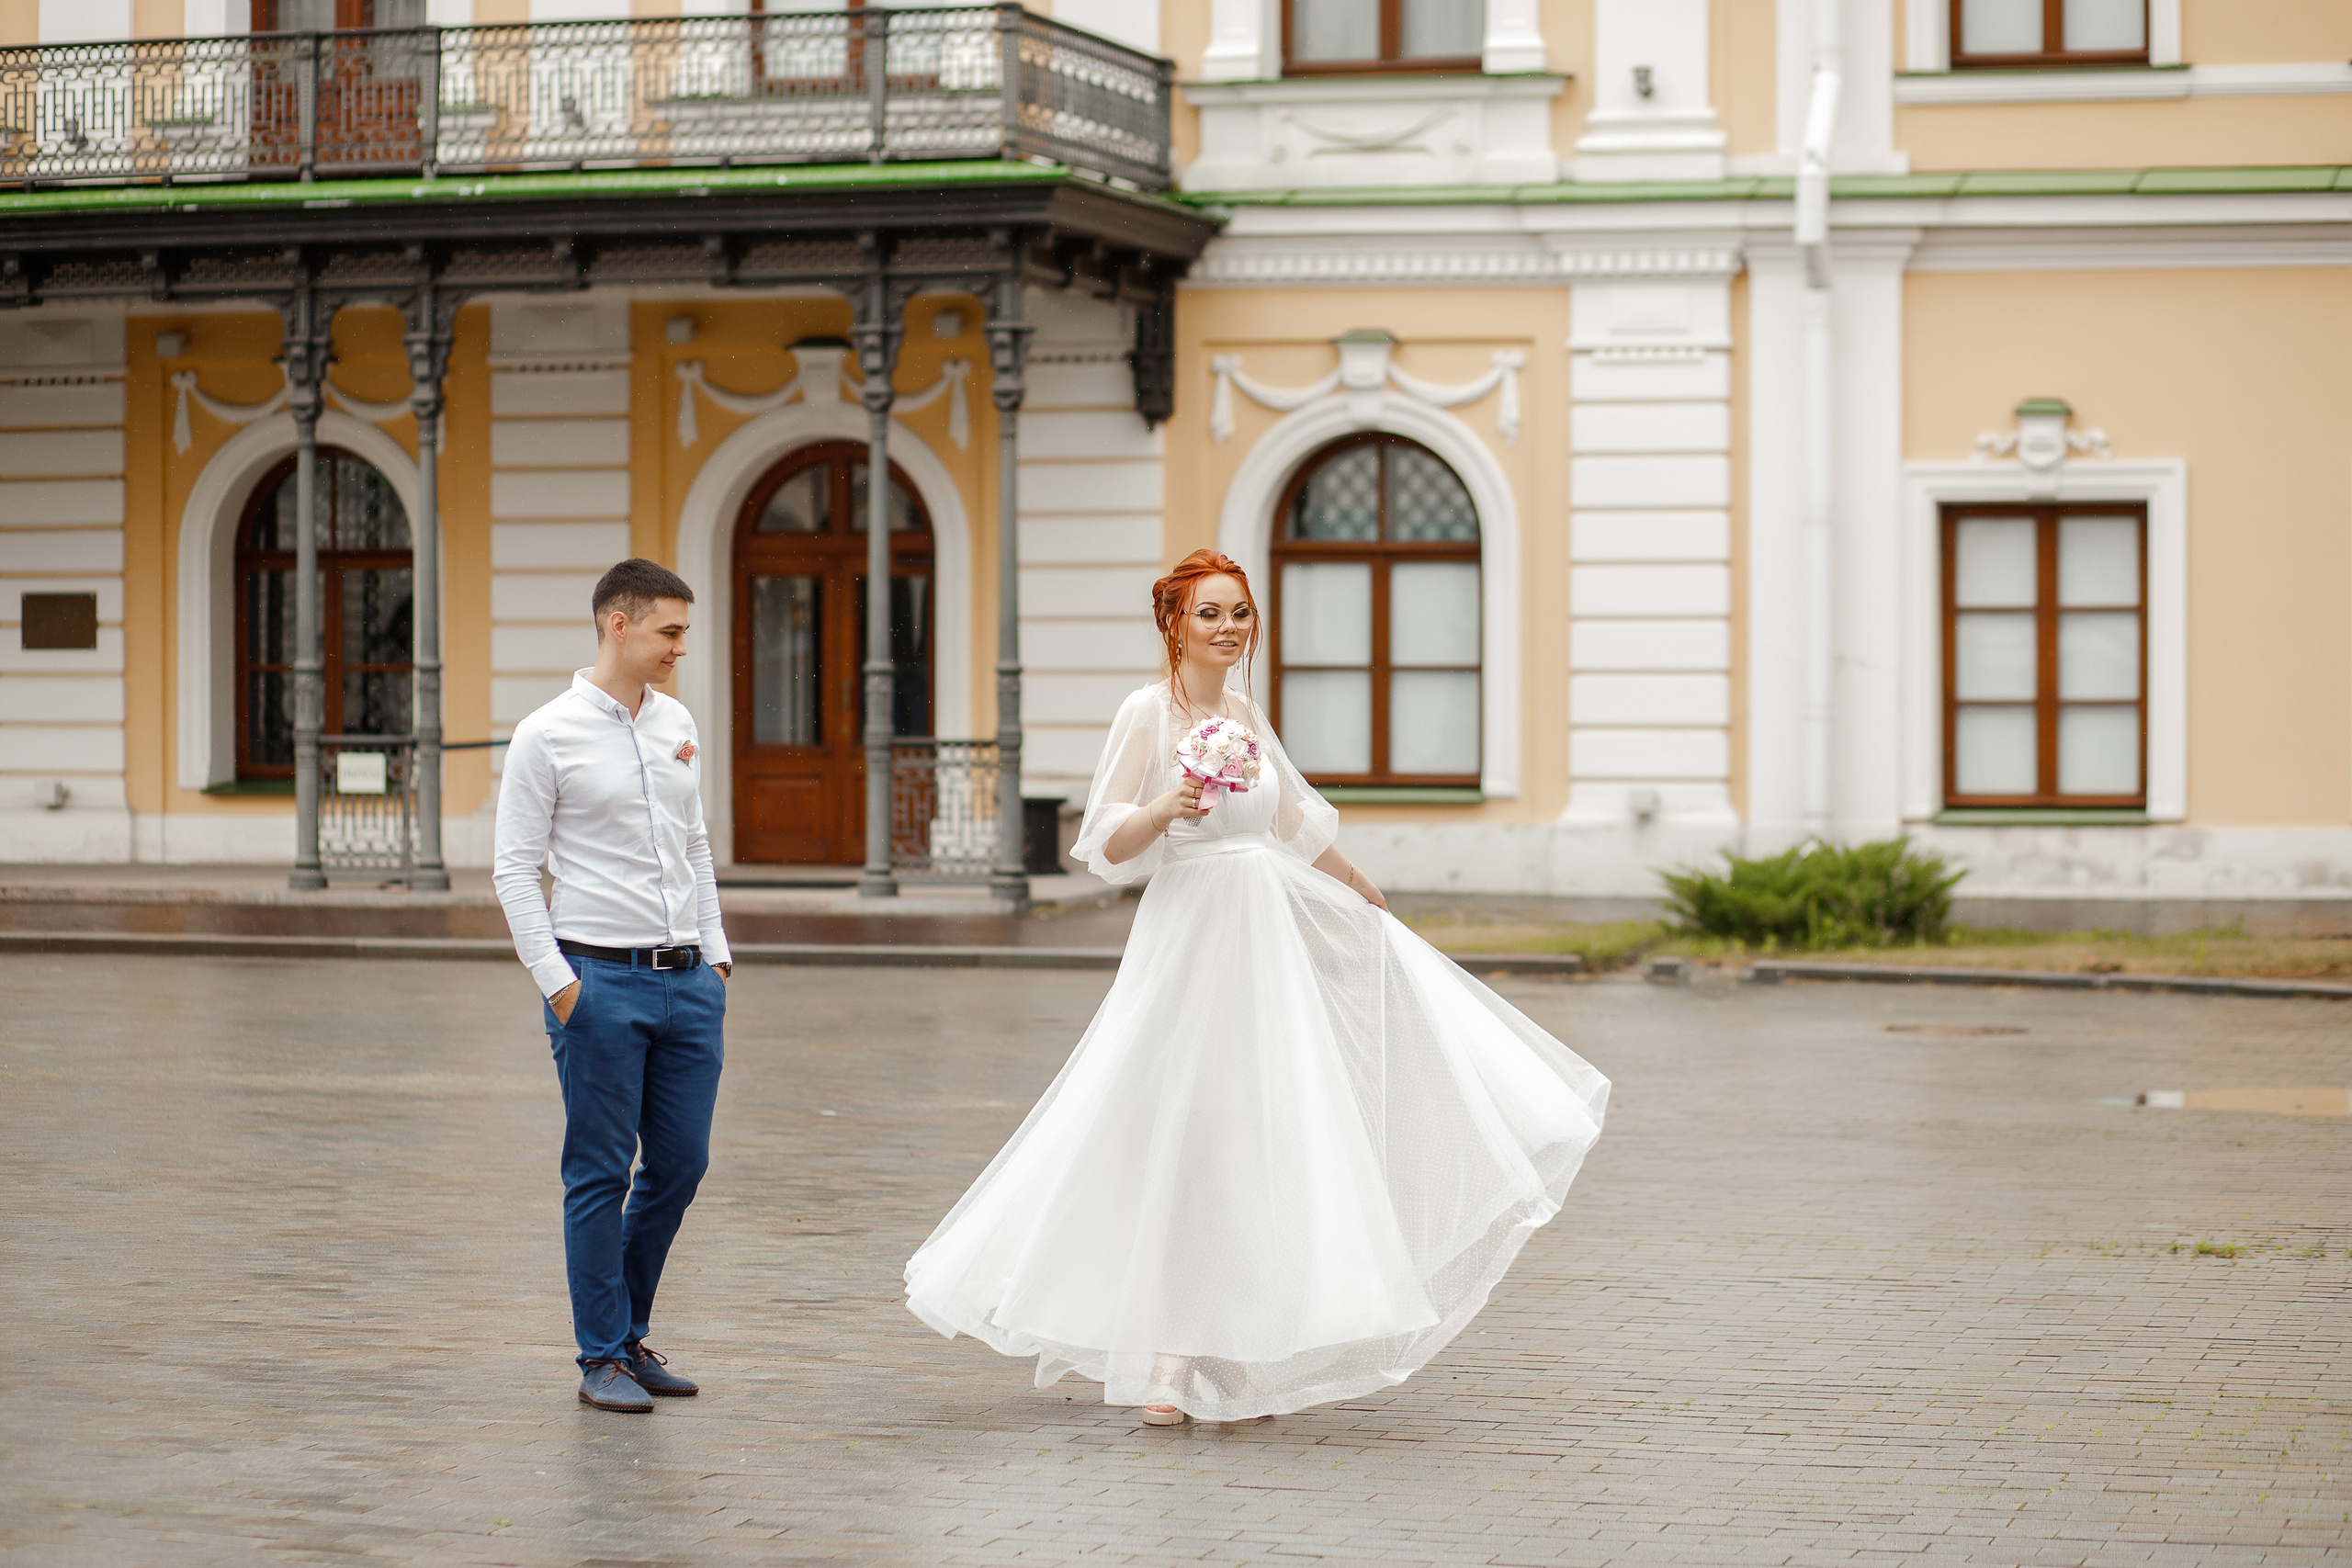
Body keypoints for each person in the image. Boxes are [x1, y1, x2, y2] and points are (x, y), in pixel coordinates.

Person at [903, 549, 1609, 1426]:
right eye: (1209, 613)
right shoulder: (1145, 711)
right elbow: (1106, 841)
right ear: (1174, 623)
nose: (1228, 628)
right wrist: (1169, 806)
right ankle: (1165, 1356)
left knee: (1253, 1134)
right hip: (1190, 936)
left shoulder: (1241, 711)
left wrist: (1357, 883)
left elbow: (1288, 820)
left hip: (1262, 945)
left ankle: (1231, 1350)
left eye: (1239, 612)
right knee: (1183, 1134)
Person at [493, 558, 733, 1414]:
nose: (680, 647)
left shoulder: (676, 721)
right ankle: (601, 1352)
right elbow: (515, 871)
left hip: (687, 984)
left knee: (679, 1164)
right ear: (617, 625)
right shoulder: (545, 734)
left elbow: (695, 844)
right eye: (670, 631)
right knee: (599, 1171)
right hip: (597, 980)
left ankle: (626, 1333)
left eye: (684, 632)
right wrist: (560, 986)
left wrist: (717, 954)